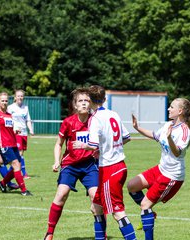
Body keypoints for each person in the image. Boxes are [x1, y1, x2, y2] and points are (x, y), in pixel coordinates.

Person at [127, 98, 190, 240]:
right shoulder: (168, 125)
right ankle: (150, 215)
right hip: (160, 169)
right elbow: (155, 136)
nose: (168, 109)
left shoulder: (185, 131)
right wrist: (137, 127)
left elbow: (177, 152)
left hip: (172, 176)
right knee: (132, 186)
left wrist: (170, 138)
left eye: (171, 107)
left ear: (180, 111)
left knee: (145, 205)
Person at [73, 85, 137, 240]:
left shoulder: (95, 119)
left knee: (117, 212)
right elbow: (127, 137)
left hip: (110, 168)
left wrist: (83, 145)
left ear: (89, 100)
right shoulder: (113, 114)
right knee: (96, 208)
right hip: (118, 166)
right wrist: (108, 147)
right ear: (104, 99)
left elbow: (93, 145)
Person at [43, 88, 99, 240]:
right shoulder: (68, 122)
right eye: (80, 101)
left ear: (91, 104)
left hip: (89, 165)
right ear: (75, 105)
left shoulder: (96, 121)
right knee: (61, 194)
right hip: (71, 165)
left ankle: (102, 235)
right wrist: (56, 161)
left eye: (86, 101)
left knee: (96, 199)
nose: (83, 103)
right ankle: (49, 233)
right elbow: (58, 144)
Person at [0, 92, 32, 196]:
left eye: (6, 100)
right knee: (16, 165)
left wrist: (15, 131)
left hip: (13, 144)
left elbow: (9, 129)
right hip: (4, 145)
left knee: (17, 166)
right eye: (2, 100)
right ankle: (24, 191)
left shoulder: (9, 115)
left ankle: (3, 183)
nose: (4, 102)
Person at [7, 89, 34, 179]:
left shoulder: (25, 107)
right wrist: (12, 129)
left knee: (21, 154)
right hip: (15, 132)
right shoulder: (11, 107)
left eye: (21, 96)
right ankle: (23, 173)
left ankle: (12, 171)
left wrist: (31, 130)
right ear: (15, 97)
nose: (20, 97)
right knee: (19, 153)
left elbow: (28, 120)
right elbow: (7, 119)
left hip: (24, 133)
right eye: (18, 96)